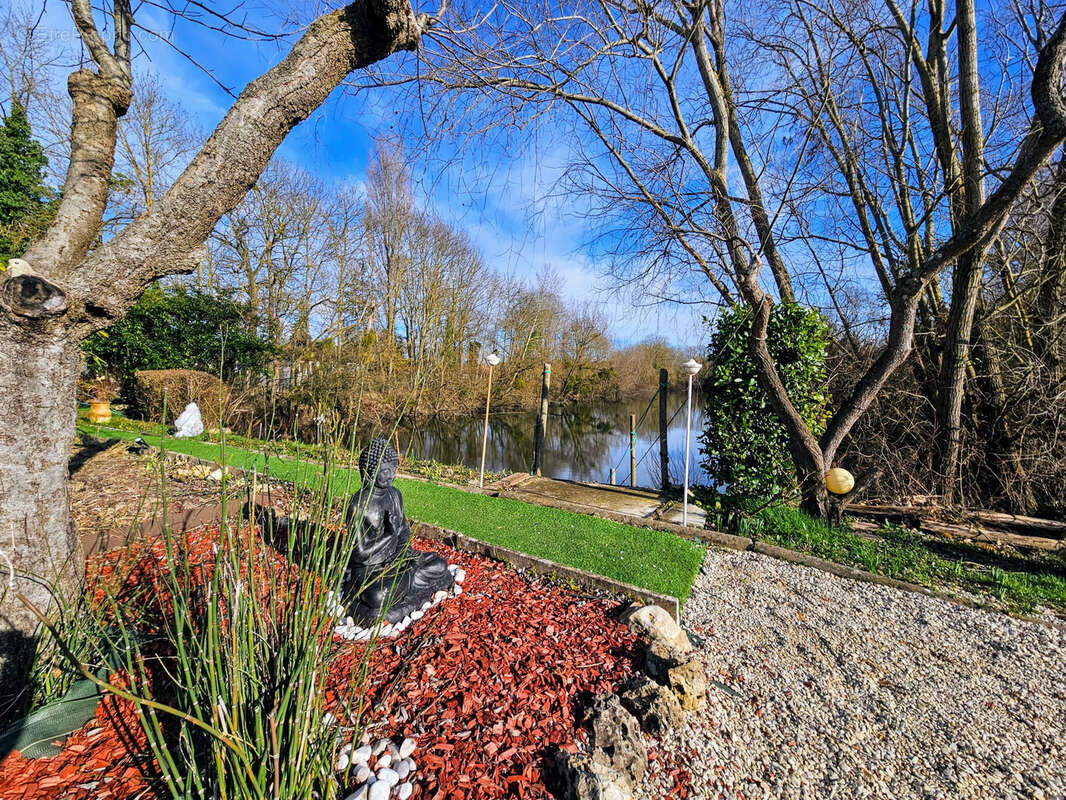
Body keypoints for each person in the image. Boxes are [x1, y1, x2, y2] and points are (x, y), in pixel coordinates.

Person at [343, 437, 453, 624]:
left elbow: (402, 531)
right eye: (385, 471)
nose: (391, 475)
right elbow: (358, 555)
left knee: (439, 564)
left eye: (393, 470)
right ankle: (407, 583)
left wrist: (402, 554)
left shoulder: (394, 495)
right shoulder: (359, 504)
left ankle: (407, 580)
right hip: (370, 570)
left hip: (398, 560)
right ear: (370, 470)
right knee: (377, 597)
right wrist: (388, 535)